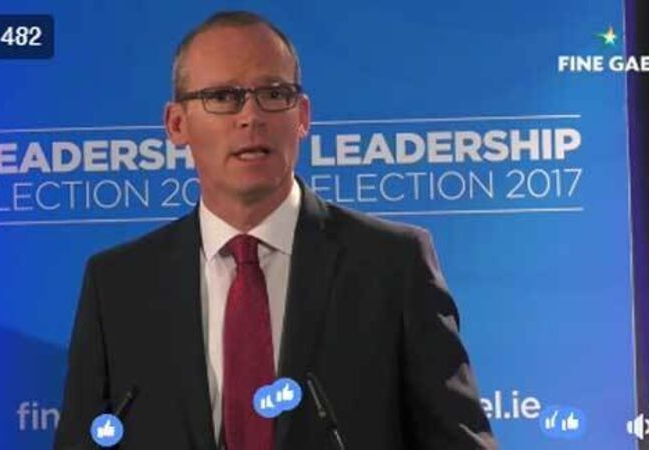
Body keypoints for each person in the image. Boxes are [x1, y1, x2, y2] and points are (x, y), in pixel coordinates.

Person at [54, 10, 496, 450]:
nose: (251, 116)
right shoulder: (118, 287)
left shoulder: (393, 264)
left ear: (302, 115)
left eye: (273, 93)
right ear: (176, 124)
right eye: (223, 96)